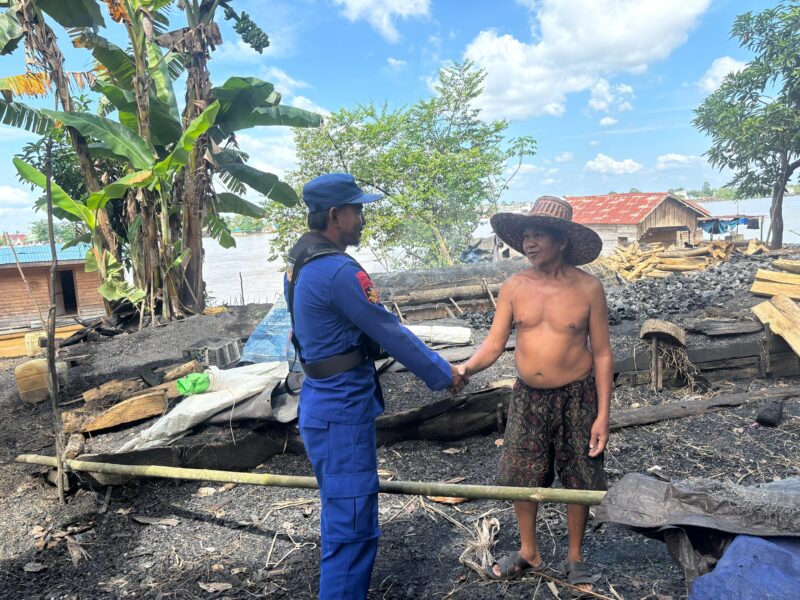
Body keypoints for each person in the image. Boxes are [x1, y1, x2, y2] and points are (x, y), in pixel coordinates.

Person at [285, 173, 467, 600]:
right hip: (341, 411)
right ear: (335, 215)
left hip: (321, 403)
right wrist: (445, 374)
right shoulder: (337, 271)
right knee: (352, 528)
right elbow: (390, 332)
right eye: (358, 210)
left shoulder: (300, 261)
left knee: (342, 515)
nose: (362, 219)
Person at [458, 196, 611, 596]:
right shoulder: (514, 287)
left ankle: (575, 557)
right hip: (527, 397)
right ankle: (530, 552)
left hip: (578, 396)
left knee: (579, 476)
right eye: (525, 235)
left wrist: (603, 416)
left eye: (538, 234)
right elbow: (493, 345)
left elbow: (603, 354)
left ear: (561, 239)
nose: (529, 242)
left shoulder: (589, 288)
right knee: (522, 473)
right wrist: (465, 369)